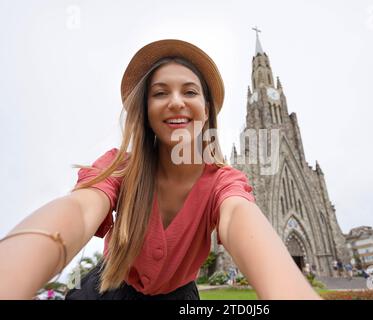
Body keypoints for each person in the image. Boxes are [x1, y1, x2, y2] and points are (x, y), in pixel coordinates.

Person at [0, 39, 321, 300]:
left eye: (190, 91)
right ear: (145, 109)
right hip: (109, 286)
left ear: (206, 110)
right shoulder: (120, 167)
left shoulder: (222, 181)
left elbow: (239, 216)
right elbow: (81, 211)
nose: (177, 101)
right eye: (160, 92)